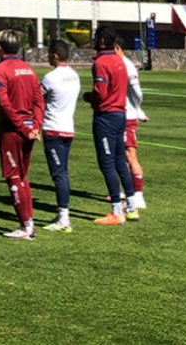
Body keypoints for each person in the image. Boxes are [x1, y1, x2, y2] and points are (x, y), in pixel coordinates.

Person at [83, 25, 138, 225]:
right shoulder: (120, 61)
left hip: (105, 116)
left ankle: (116, 210)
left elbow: (101, 93)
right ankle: (132, 207)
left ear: (102, 41)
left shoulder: (101, 62)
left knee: (107, 164)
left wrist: (87, 97)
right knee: (119, 161)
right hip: (120, 115)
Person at [0, 29, 45, 240]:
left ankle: (26, 227)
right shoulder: (29, 69)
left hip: (13, 131)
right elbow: (39, 101)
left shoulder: (0, 69)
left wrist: (23, 128)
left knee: (13, 176)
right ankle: (28, 223)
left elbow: (4, 103)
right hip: (29, 129)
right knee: (22, 176)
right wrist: (35, 126)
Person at [40, 40, 81, 232]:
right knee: (63, 171)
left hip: (53, 129)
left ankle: (64, 218)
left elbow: (37, 100)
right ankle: (62, 215)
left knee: (59, 174)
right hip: (68, 128)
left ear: (55, 55)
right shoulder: (75, 76)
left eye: (49, 53)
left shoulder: (50, 78)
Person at [115, 39, 148, 210]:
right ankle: (128, 189)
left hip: (128, 116)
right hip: (121, 115)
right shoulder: (118, 64)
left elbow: (137, 93)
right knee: (120, 156)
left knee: (130, 155)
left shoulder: (127, 66)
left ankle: (139, 196)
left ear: (118, 48)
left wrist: (137, 109)